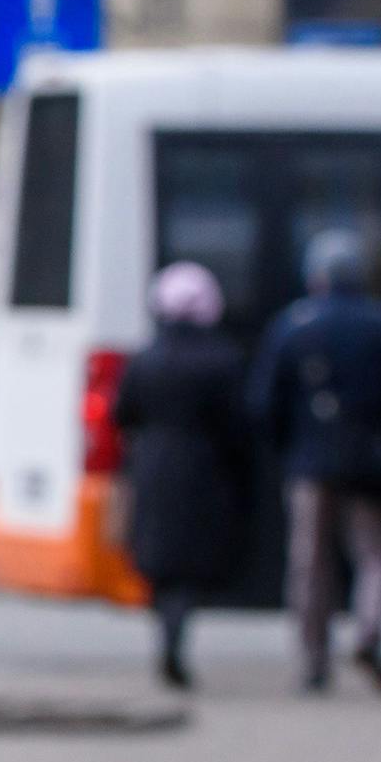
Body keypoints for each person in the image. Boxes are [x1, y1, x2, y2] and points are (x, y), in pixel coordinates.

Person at [251, 228, 381, 694]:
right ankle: (369, 634)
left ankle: (313, 658)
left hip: (310, 462)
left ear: (316, 277)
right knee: (375, 556)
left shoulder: (293, 325)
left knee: (310, 561)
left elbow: (266, 403)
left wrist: (289, 448)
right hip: (371, 462)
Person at [114, 262, 251, 690]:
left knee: (160, 558)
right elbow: (238, 424)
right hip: (202, 468)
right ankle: (175, 636)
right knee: (188, 560)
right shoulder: (222, 359)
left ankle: (168, 635)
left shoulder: (146, 358)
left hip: (152, 464)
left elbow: (122, 414)